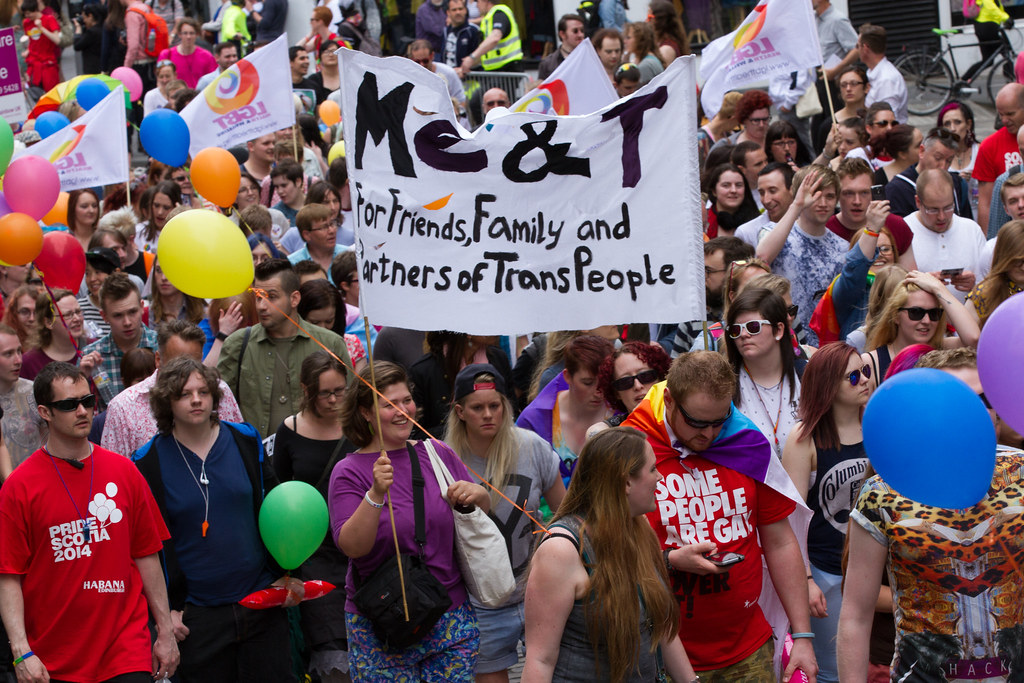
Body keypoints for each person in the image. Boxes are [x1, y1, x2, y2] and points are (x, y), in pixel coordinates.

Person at [622, 350, 817, 680]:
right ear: (668, 399)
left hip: (747, 649)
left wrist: (802, 636)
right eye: (697, 422)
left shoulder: (744, 442)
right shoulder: (633, 447)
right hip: (660, 650)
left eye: (719, 421)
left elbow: (780, 540)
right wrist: (669, 559)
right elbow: (607, 548)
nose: (709, 434)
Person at [837, 347, 1024, 682]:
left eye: (984, 399)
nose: (977, 412)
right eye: (961, 402)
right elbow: (855, 615)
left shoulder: (1021, 473)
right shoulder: (885, 491)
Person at [0, 362, 178, 683]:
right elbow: (9, 575)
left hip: (126, 649)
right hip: (56, 657)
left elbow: (147, 554)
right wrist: (21, 651)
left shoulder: (125, 472)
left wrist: (164, 631)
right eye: (69, 405)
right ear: (45, 412)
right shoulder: (18, 486)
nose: (82, 411)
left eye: (88, 401)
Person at [133, 356, 301, 682]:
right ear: (167, 401)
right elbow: (148, 546)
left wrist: (287, 571)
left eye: (203, 391)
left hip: (260, 601)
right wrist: (165, 614)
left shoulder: (244, 439)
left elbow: (275, 508)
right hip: (197, 616)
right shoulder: (147, 461)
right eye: (184, 393)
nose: (196, 399)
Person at [329, 361, 488, 681]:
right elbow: (352, 547)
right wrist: (375, 494)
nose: (403, 410)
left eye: (407, 400)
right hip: (382, 624)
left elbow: (482, 510)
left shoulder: (437, 453)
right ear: (366, 412)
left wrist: (477, 493)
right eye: (389, 404)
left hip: (449, 616)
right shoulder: (348, 471)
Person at [521, 427, 697, 682]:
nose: (660, 477)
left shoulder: (639, 526)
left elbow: (662, 629)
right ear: (626, 482)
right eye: (652, 469)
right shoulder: (561, 550)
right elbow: (540, 659)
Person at [445, 364, 565, 683]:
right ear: (460, 411)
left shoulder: (532, 446)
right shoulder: (445, 461)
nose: (488, 414)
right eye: (477, 407)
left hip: (537, 590)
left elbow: (565, 515)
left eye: (495, 406)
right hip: (480, 602)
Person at [782, 342, 872, 683]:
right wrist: (805, 581)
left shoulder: (877, 426)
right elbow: (791, 520)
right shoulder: (805, 438)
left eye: (865, 371)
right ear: (827, 386)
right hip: (826, 572)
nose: (864, 380)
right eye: (853, 376)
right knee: (835, 672)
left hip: (875, 570)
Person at [273, 351, 352, 683]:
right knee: (329, 653)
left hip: (355, 547)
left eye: (340, 391)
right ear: (307, 391)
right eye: (325, 393)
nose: (334, 400)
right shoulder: (290, 430)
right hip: (312, 555)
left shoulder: (357, 425)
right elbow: (278, 491)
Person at [218, 259, 352, 437]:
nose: (261, 306)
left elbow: (349, 405)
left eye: (271, 296)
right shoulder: (238, 344)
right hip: (256, 458)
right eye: (258, 297)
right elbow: (221, 407)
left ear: (294, 298)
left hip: (314, 454)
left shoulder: (330, 344)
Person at [102, 320, 242, 457]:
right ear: (158, 360)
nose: (186, 374)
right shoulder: (124, 407)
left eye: (194, 364)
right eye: (176, 365)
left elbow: (239, 449)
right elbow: (114, 471)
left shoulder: (220, 390)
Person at [757, 165, 849, 345]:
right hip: (780, 338)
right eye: (815, 195)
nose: (823, 203)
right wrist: (797, 205)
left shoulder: (842, 247)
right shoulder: (773, 231)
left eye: (829, 196)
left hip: (823, 343)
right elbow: (762, 257)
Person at [517, 335, 614, 487]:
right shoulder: (533, 420)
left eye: (605, 381)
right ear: (567, 376)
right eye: (588, 383)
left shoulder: (622, 413)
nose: (599, 391)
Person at [723, 287, 802, 458]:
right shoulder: (722, 385)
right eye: (736, 330)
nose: (743, 335)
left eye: (753, 327)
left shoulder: (808, 374)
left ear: (779, 330)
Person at [865, 271, 979, 379]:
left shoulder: (944, 349)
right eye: (916, 312)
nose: (926, 320)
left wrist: (939, 288)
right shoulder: (871, 362)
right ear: (895, 316)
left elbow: (973, 339)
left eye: (934, 313)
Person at [409, 331, 514, 438]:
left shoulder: (498, 358)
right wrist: (466, 425)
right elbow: (415, 433)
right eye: (485, 321)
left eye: (493, 406)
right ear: (468, 331)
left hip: (496, 446)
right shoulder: (424, 371)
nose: (495, 329)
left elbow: (512, 410)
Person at [904, 170, 986, 304]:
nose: (942, 217)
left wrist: (974, 285)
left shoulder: (972, 229)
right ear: (918, 202)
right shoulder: (904, 230)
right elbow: (892, 288)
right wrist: (920, 285)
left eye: (948, 207)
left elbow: (990, 284)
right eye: (933, 210)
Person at [666, 236, 755, 355]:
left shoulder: (754, 322)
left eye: (708, 271)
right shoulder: (692, 321)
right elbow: (677, 371)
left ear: (731, 274)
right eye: (700, 271)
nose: (702, 278)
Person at [82, 273, 159, 407]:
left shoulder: (162, 346)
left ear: (142, 308)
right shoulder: (91, 356)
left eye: (132, 312)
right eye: (118, 315)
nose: (127, 322)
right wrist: (82, 377)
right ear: (104, 316)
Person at [826, 158, 917, 270]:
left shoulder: (896, 225)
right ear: (838, 194)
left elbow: (909, 279)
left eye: (864, 192)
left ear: (873, 192)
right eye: (849, 193)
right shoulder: (826, 230)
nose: (857, 201)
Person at [884, 127, 972, 220]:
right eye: (938, 158)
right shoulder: (897, 189)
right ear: (921, 151)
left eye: (949, 161)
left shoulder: (956, 183)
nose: (943, 166)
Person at [976, 83, 1024, 231]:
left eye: (1010, 114)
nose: (1004, 120)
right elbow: (986, 203)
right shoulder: (989, 146)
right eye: (1001, 114)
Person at [20, 289, 97, 381]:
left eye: (78, 312)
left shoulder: (95, 348)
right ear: (49, 322)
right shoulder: (30, 362)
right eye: (68, 315)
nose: (77, 318)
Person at [0, 324, 44, 471]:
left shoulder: (33, 392)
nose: (18, 360)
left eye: (19, 351)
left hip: (34, 481)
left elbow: (49, 442)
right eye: (8, 354)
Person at [594, 341, 671, 425]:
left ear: (661, 378)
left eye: (645, 376)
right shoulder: (612, 433)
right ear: (616, 393)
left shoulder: (684, 420)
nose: (638, 386)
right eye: (625, 382)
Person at [966, 219, 1024, 328]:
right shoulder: (983, 293)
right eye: (1018, 261)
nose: (1023, 267)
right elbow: (967, 338)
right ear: (1004, 257)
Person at [859, 23, 908, 123]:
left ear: (865, 48)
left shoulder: (886, 80)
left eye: (858, 46)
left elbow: (886, 123)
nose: (856, 50)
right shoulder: (873, 73)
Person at [939, 101, 980, 218]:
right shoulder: (939, 157)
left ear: (968, 124)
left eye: (957, 122)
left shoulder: (981, 150)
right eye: (947, 124)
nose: (952, 128)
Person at [286, 204, 349, 278]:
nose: (332, 231)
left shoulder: (348, 255)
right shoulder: (293, 263)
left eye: (332, 224)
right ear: (307, 235)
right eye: (324, 227)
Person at [460, 0, 522, 74]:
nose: (476, 6)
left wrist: (472, 58)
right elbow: (486, 53)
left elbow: (495, 38)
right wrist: (465, 66)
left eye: (478, 2)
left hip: (508, 68)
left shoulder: (499, 13)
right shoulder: (487, 19)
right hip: (495, 70)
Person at [703, 162, 759, 238]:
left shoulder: (758, 223)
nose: (733, 190)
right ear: (714, 191)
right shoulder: (702, 220)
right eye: (726, 185)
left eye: (738, 185)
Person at [157, 17, 216, 89]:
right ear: (179, 34)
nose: (188, 37)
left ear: (197, 34)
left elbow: (213, 81)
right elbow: (159, 82)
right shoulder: (167, 55)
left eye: (191, 33)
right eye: (185, 33)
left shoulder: (207, 56)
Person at [406, 40, 466, 105]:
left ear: (432, 56)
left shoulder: (448, 73)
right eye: (417, 62)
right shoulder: (408, 76)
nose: (422, 65)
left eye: (425, 61)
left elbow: (461, 101)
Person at [20, 0, 61, 92]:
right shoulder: (26, 22)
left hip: (48, 64)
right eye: (25, 14)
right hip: (33, 65)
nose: (27, 16)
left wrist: (41, 28)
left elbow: (57, 40)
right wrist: (27, 51)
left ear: (35, 10)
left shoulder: (49, 19)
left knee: (51, 93)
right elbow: (31, 41)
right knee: (34, 93)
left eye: (28, 13)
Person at [697, 91, 741, 170]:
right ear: (733, 118)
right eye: (739, 121)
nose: (739, 125)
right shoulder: (700, 137)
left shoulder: (730, 134)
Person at [135, 180, 181, 255]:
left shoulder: (183, 235)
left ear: (176, 207)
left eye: (166, 207)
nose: (160, 212)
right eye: (156, 205)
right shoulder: (138, 232)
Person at [537, 13, 585, 80]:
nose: (581, 35)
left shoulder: (592, 58)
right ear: (562, 34)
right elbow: (543, 89)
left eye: (582, 30)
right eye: (575, 31)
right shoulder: (547, 64)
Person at [440, 0, 480, 71]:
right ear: (448, 13)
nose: (458, 12)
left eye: (460, 9)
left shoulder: (473, 31)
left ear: (465, 10)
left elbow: (481, 58)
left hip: (470, 78)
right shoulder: (445, 31)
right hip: (449, 78)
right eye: (454, 10)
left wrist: (463, 69)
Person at [270, 161, 306, 226]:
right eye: (277, 187)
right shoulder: (273, 215)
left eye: (284, 185)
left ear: (298, 182)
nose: (280, 191)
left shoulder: (317, 204)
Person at [72, 3, 105, 75]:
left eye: (84, 18)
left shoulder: (92, 32)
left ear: (90, 16)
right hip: (102, 67)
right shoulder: (104, 29)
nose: (84, 21)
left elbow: (77, 45)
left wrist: (78, 28)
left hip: (92, 70)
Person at [67, 188, 101, 253]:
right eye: (84, 206)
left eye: (94, 206)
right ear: (73, 209)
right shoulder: (63, 240)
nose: (91, 210)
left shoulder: (105, 238)